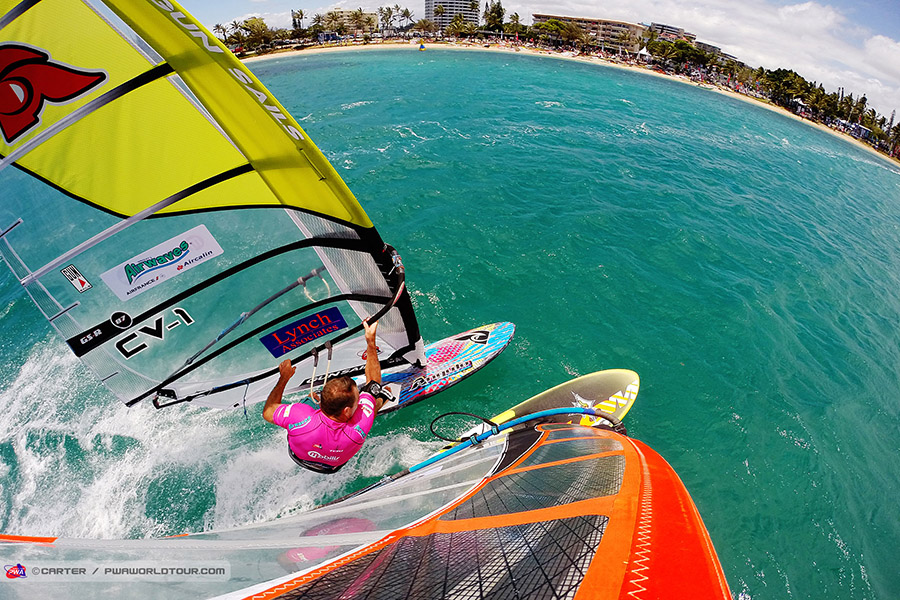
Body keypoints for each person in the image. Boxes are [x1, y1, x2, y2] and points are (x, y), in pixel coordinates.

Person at [263, 320, 388, 473]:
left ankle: (313, 399)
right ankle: (380, 400)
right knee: (370, 405)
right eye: (357, 399)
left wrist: (284, 377)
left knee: (307, 402)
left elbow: (268, 412)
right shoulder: (359, 425)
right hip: (333, 466)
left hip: (299, 456)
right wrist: (370, 341)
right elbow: (373, 383)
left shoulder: (300, 414)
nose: (359, 401)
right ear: (346, 411)